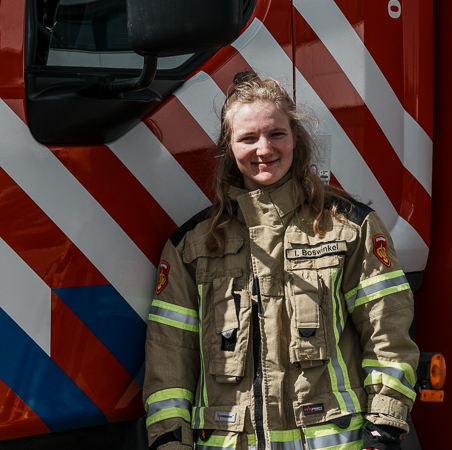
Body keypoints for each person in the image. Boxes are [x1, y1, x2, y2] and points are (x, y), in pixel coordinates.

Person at [143, 71, 419, 450]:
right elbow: (169, 357)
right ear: (229, 147)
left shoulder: (349, 228)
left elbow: (388, 336)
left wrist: (384, 426)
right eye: (248, 138)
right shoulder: (191, 246)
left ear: (296, 139)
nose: (264, 149)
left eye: (276, 134)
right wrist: (170, 440)